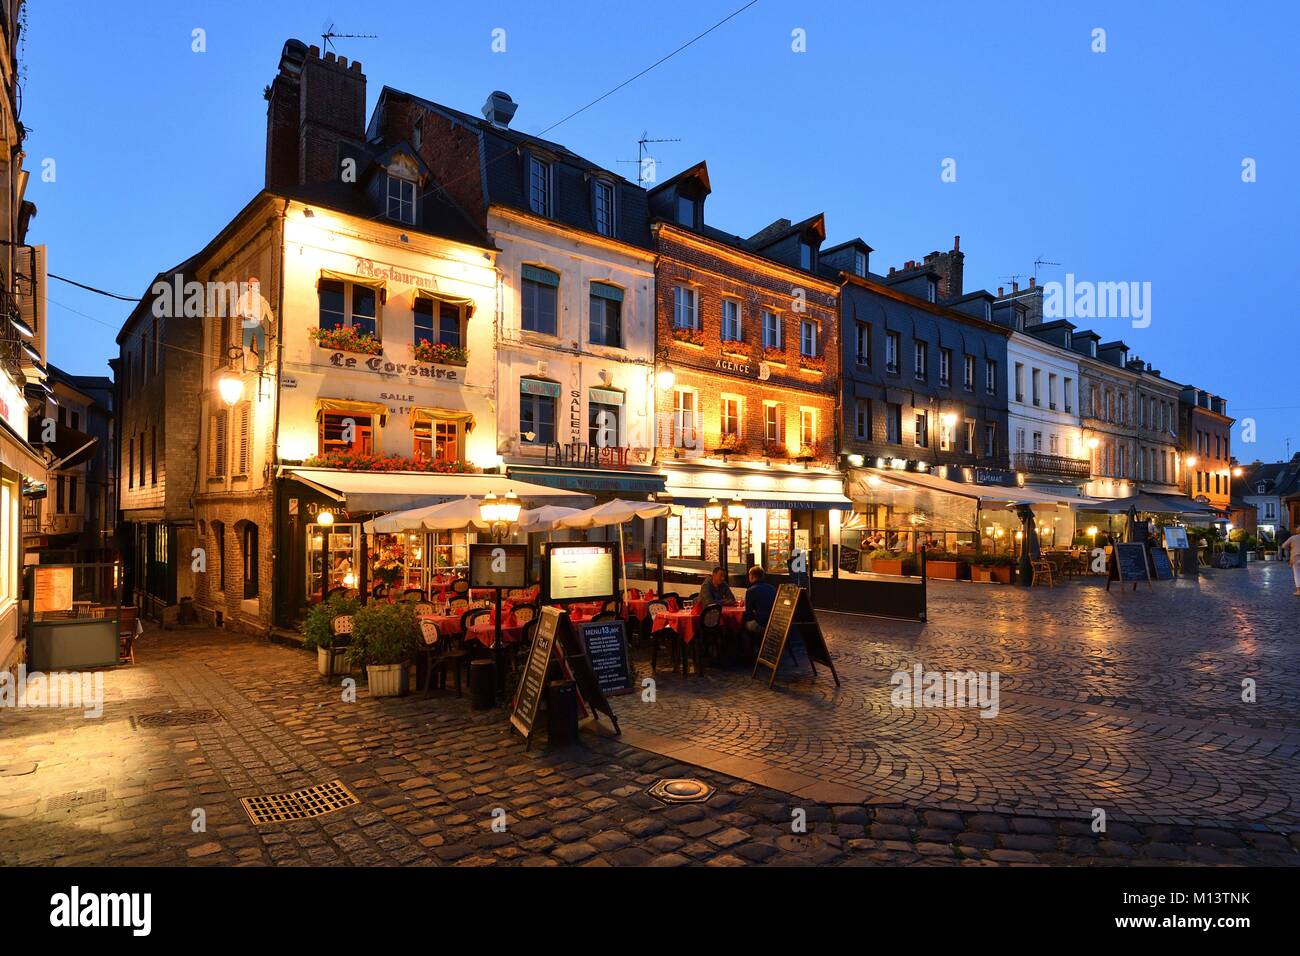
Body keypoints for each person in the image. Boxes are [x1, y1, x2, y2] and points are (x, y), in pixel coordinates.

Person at [743, 566, 776, 635]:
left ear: (751, 576)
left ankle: (750, 645)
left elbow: (749, 614)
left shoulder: (750, 591)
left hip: (761, 624)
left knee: (742, 625)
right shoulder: (772, 588)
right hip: (773, 623)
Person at [1282, 528, 1300, 596]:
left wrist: (1290, 548)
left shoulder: (1293, 538)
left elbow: (1283, 546)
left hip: (1295, 558)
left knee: (1297, 574)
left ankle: (1298, 591)